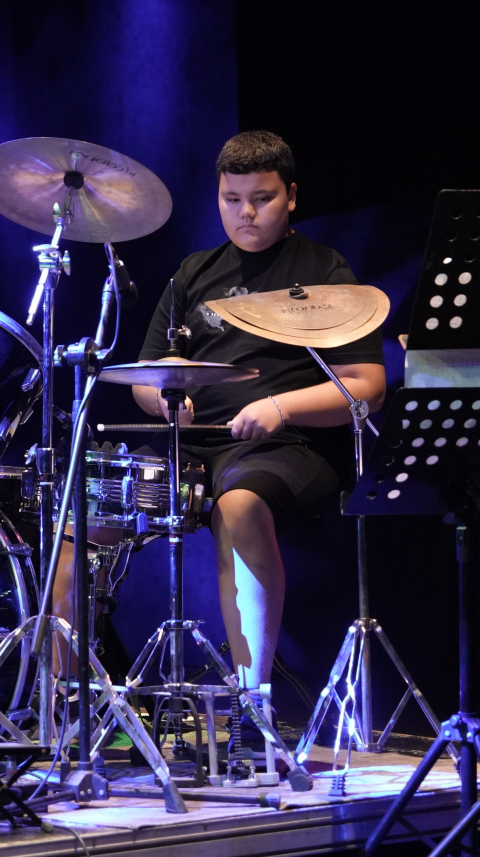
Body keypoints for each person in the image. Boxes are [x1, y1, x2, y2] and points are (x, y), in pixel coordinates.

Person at [127, 130, 386, 696]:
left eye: (262, 199)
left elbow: (366, 387)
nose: (246, 213)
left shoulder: (325, 269)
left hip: (289, 446)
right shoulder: (193, 273)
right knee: (81, 512)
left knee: (239, 506)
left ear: (291, 196)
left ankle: (252, 703)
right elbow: (146, 377)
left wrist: (279, 407)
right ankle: (69, 700)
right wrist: (167, 399)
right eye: (232, 199)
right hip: (195, 444)